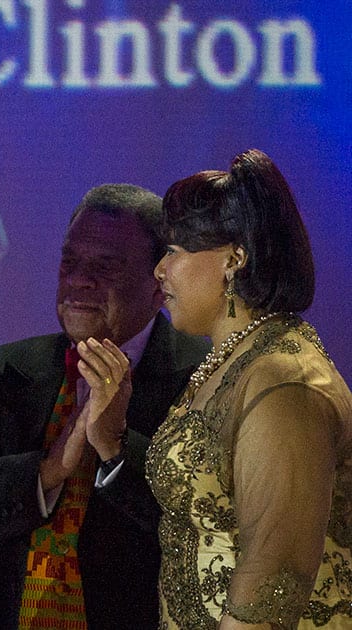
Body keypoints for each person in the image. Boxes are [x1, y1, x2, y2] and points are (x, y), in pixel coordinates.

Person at [0, 184, 209, 629]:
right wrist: (49, 470)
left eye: (105, 266)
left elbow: (206, 527)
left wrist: (115, 447)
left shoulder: (201, 379)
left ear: (158, 283)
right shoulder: (2, 372)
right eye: (70, 262)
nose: (80, 280)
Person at [148, 149, 352, 629]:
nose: (160, 269)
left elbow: (272, 579)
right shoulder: (232, 361)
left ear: (233, 259)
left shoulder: (284, 380)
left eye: (175, 250)